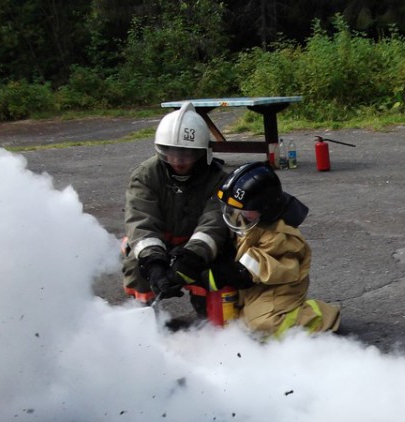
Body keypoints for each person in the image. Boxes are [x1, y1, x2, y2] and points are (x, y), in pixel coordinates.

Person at [169, 161, 341, 337]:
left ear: (264, 209)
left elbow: (256, 268)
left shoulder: (281, 236)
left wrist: (221, 273)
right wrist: (188, 262)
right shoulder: (249, 217)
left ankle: (318, 315)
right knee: (231, 320)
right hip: (252, 288)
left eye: (243, 210)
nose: (236, 213)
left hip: (277, 291)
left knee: (263, 327)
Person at [122, 102, 233, 317]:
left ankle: (210, 323)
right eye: (170, 152)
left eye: (187, 153)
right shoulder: (145, 176)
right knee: (137, 266)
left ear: (202, 152)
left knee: (217, 275)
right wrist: (153, 263)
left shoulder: (218, 179)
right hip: (159, 244)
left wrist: (190, 258)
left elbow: (214, 222)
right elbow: (140, 221)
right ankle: (143, 318)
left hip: (196, 249)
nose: (178, 161)